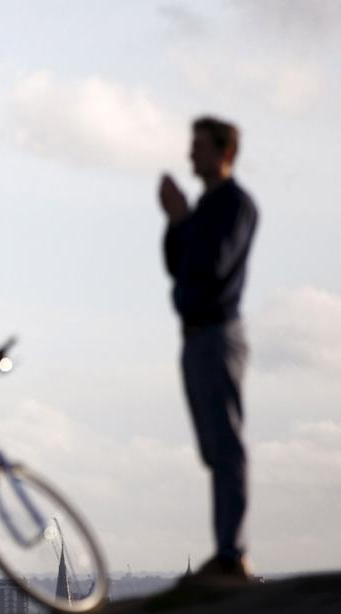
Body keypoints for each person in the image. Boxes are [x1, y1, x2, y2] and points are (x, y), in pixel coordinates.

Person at [158, 115, 258, 583]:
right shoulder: (205, 210)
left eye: (198, 146)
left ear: (224, 152)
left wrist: (180, 220)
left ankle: (231, 553)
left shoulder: (235, 205)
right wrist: (178, 222)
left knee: (225, 444)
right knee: (212, 448)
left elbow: (212, 265)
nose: (190, 155)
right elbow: (179, 265)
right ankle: (226, 551)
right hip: (196, 336)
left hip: (218, 334)